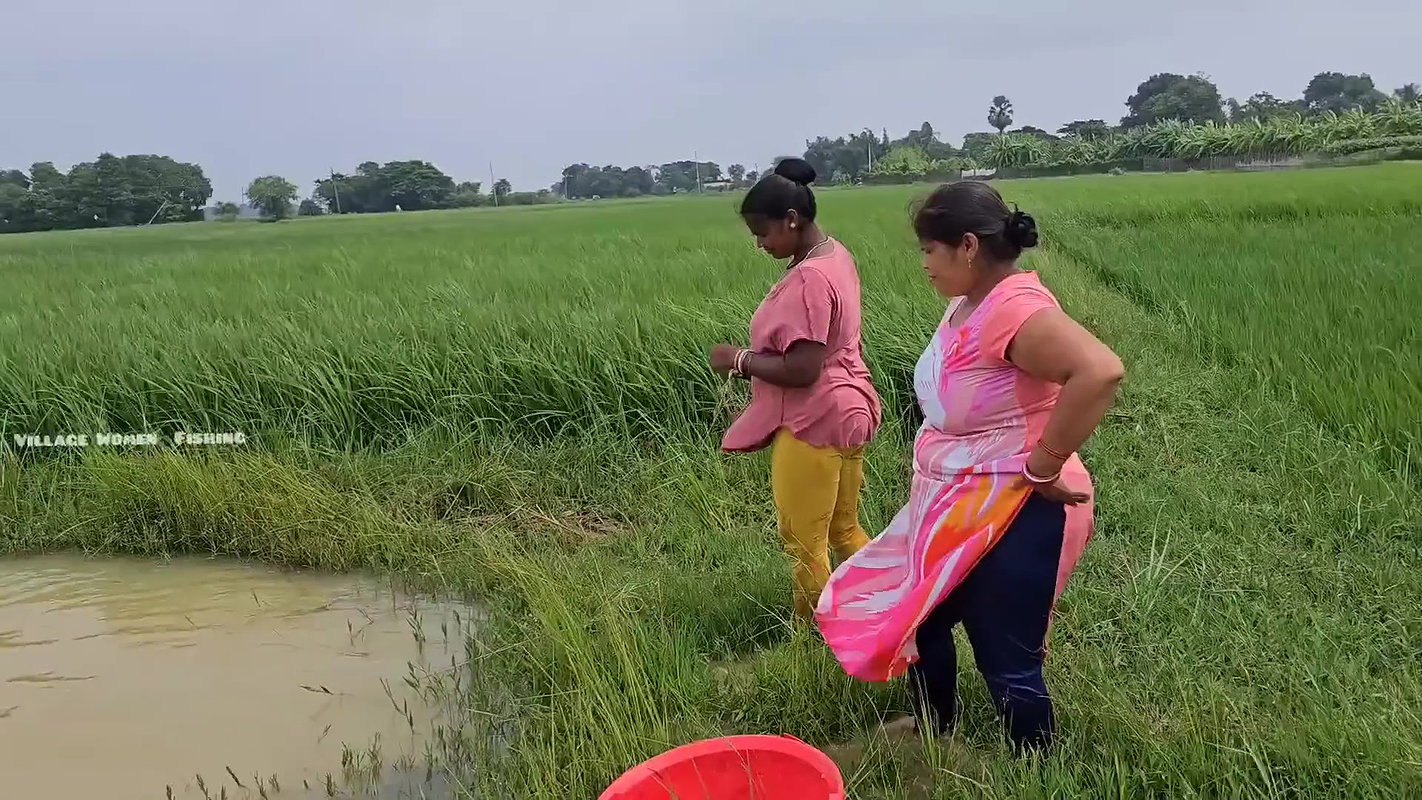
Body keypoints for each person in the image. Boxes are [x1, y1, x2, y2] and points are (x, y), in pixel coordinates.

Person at [815, 180, 1124, 754]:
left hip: (1017, 506)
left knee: (1004, 654)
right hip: (958, 502)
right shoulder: (970, 301)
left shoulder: (1013, 310)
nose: (924, 264)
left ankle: (1035, 770)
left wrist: (1042, 464)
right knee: (921, 618)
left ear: (967, 246)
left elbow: (1099, 371)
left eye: (929, 250)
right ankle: (933, 736)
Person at [708, 158, 883, 622]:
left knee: (805, 543)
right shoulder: (834, 254)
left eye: (763, 233)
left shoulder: (808, 278)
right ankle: (888, 611)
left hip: (815, 416)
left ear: (792, 219)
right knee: (844, 530)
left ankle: (815, 639)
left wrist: (738, 360)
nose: (759, 243)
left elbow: (803, 368)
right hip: (850, 408)